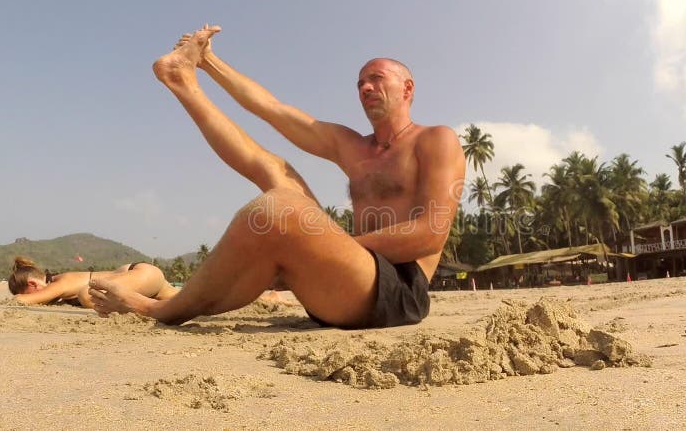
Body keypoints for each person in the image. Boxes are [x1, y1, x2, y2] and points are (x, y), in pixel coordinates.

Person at [89, 24, 465, 330]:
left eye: (377, 78)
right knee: (274, 170)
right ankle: (181, 81)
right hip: (349, 280)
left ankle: (157, 311)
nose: (365, 87)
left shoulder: (435, 140)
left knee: (281, 209)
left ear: (408, 88)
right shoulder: (352, 145)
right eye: (360, 83)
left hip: (397, 293)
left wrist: (331, 245)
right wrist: (208, 61)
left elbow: (429, 232)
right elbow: (271, 108)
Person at [7, 256, 178, 308]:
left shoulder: (60, 282)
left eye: (23, 291)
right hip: (147, 284)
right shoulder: (61, 283)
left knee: (87, 295)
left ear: (32, 284)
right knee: (199, 301)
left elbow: (23, 300)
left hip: (141, 274)